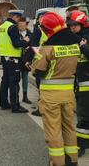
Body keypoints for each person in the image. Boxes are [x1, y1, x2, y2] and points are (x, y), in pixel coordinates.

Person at [32, 12, 80, 166]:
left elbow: (37, 71)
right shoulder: (75, 45)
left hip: (51, 96)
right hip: (69, 94)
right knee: (69, 128)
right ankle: (72, 160)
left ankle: (58, 162)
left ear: (48, 30)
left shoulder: (47, 48)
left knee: (54, 130)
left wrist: (31, 64)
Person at [66, 10, 89, 157]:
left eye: (75, 25)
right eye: (70, 26)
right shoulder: (77, 37)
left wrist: (83, 46)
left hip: (86, 83)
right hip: (80, 82)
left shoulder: (85, 39)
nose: (72, 28)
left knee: (83, 115)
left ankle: (81, 145)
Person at [0, 9, 29, 113]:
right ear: (15, 16)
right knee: (14, 82)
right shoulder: (12, 27)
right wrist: (25, 41)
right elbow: (16, 43)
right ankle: (15, 106)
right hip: (13, 58)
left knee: (5, 80)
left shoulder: (2, 26)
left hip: (4, 57)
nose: (19, 21)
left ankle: (3, 103)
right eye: (19, 18)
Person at [30, 10, 49, 116]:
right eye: (42, 17)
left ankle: (42, 108)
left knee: (41, 86)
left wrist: (38, 57)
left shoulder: (38, 30)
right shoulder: (51, 30)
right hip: (49, 60)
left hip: (41, 62)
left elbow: (33, 45)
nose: (43, 18)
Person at [18, 17, 32, 104]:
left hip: (26, 59)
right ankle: (15, 96)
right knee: (16, 78)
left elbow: (33, 46)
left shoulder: (30, 34)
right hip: (17, 58)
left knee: (25, 78)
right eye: (19, 24)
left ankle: (25, 96)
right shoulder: (15, 33)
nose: (20, 26)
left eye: (22, 24)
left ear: (26, 24)